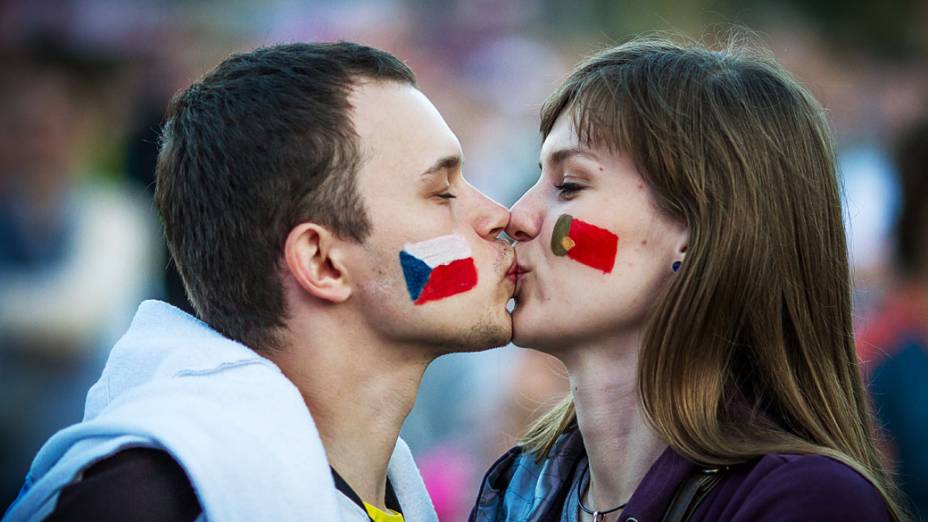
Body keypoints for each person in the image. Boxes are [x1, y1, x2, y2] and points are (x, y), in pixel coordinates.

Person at [5, 41, 514, 522]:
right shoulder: (147, 496)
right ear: (321, 263)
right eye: (442, 191)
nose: (499, 217)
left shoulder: (375, 488)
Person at [471, 37, 906, 521]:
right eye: (537, 179)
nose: (516, 216)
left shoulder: (805, 502)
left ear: (699, 232)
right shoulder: (520, 492)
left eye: (569, 185)